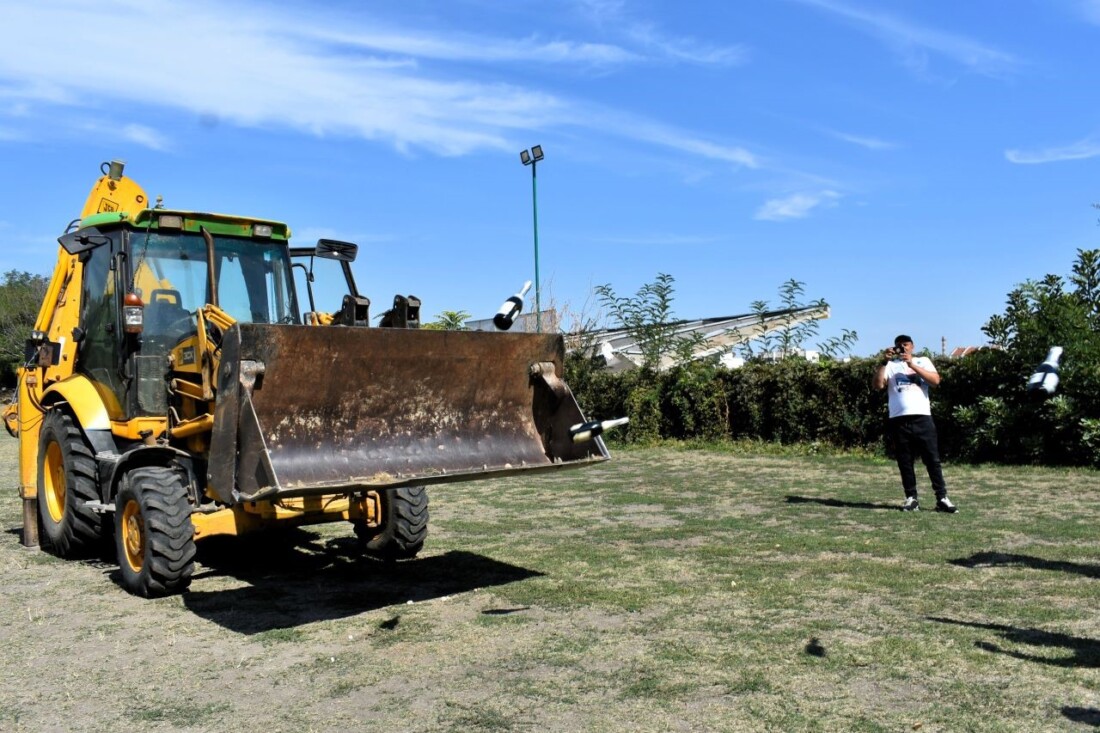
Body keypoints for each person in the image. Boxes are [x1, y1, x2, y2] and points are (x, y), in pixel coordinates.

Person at [872, 334, 958, 513]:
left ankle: (941, 498)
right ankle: (911, 498)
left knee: (932, 459)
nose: (902, 348)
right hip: (899, 419)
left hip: (922, 418)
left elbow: (935, 381)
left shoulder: (923, 361)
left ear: (912, 346)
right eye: (898, 346)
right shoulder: (891, 366)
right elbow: (878, 385)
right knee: (905, 461)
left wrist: (912, 364)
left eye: (905, 345)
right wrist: (883, 362)